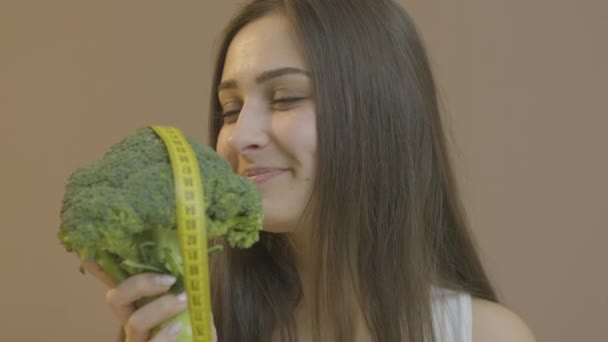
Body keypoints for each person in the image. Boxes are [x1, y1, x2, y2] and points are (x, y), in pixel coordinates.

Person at [83, 0, 536, 341]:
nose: (240, 137)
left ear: (380, 117)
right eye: (230, 108)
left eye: (285, 98)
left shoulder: (483, 335)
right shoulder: (202, 327)